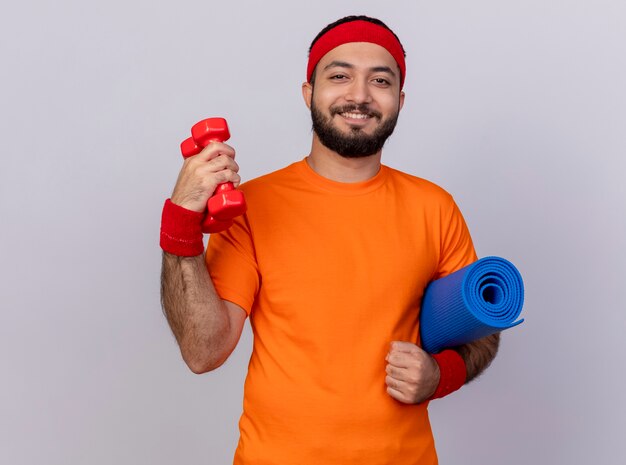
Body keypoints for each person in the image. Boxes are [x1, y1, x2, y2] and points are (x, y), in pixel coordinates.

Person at [160, 15, 500, 465]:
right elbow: (204, 351)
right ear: (309, 93)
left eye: (379, 80)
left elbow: (481, 330)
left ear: (399, 100)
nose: (358, 95)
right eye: (339, 75)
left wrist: (441, 374)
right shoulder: (254, 206)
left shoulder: (434, 207)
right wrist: (181, 220)